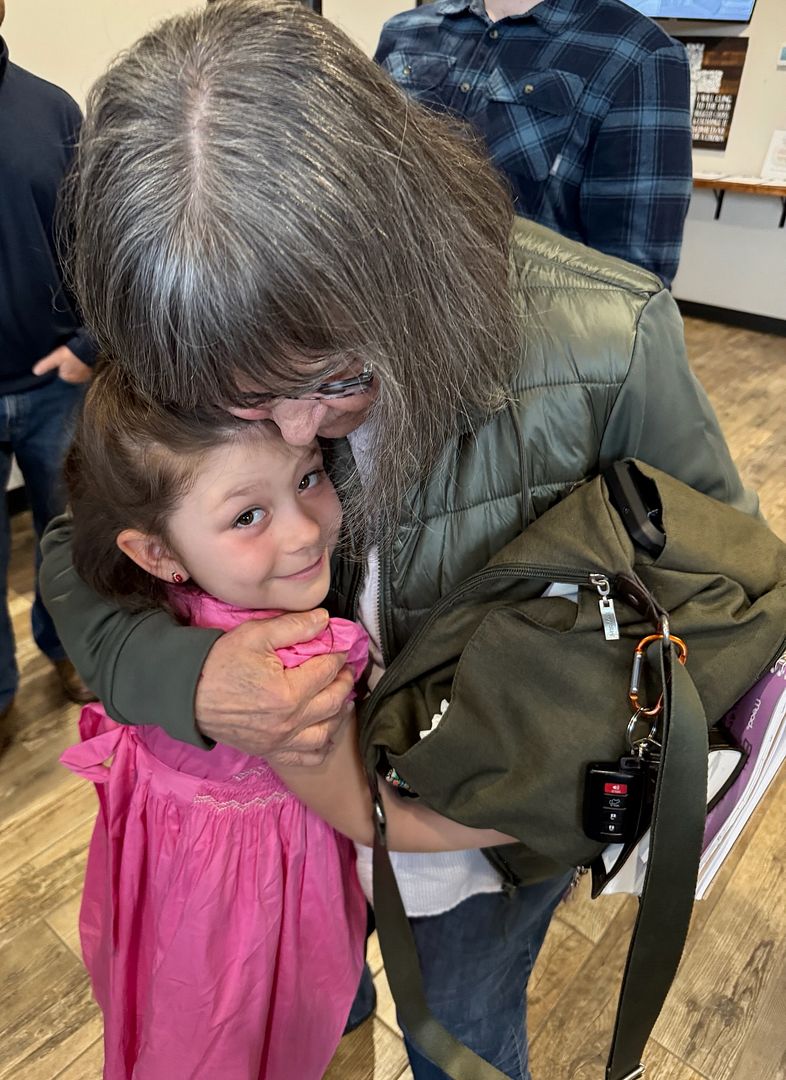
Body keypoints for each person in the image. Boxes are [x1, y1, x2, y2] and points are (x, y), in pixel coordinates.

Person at [40, 3, 755, 1077]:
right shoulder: (195, 311)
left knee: (458, 1032)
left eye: (333, 378)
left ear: (401, 261)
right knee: (314, 1009)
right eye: (243, 399)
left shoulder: (606, 344)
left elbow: (719, 600)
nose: (293, 432)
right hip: (277, 838)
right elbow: (85, 545)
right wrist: (185, 676)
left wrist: (555, 792)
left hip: (469, 854)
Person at [60, 364, 515, 1080]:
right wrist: (521, 825)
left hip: (160, 870)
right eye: (248, 516)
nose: (305, 532)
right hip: (243, 909)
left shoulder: (171, 601)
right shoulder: (294, 667)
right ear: (157, 553)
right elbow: (375, 816)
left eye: (308, 478)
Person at [375, 0, 693, 286]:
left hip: (517, 325)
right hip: (376, 309)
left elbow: (631, 282)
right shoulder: (405, 31)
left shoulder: (638, 54)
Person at [0, 0, 95, 746]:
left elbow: (99, 241)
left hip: (51, 386)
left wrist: (89, 346)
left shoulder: (53, 110)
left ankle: (67, 649)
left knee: (67, 536)